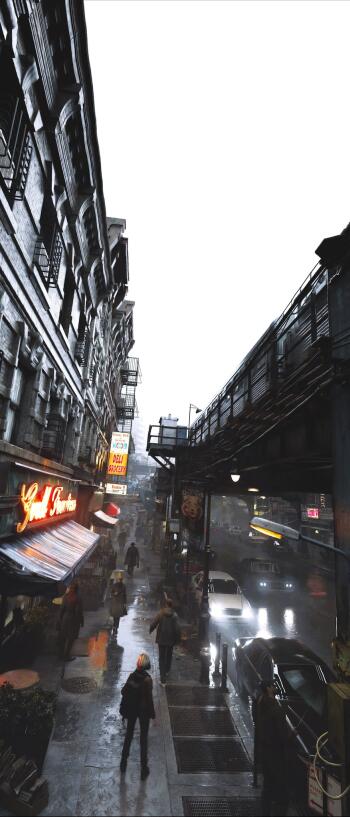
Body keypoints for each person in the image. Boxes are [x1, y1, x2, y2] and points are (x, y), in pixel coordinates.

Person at [120, 652, 155, 780]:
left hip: (132, 709)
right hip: (143, 711)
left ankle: (123, 763)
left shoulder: (132, 676)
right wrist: (152, 714)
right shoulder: (148, 680)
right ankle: (143, 769)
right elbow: (149, 699)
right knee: (143, 739)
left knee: (128, 735)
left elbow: (123, 691)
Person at [256, 681, 290, 816]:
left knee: (268, 785)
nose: (276, 688)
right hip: (275, 754)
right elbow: (282, 735)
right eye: (273, 686)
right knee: (281, 788)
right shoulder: (276, 710)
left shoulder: (260, 703)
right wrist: (292, 736)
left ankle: (265, 811)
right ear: (268, 688)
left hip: (264, 751)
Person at [149, 598, 181, 686]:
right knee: (169, 655)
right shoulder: (175, 615)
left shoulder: (161, 613)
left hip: (161, 638)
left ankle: (163, 679)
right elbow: (177, 629)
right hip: (171, 638)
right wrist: (178, 640)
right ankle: (167, 670)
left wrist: (150, 630)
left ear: (166, 604)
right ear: (171, 605)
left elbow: (154, 623)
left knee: (162, 658)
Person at [58, 580, 84, 662]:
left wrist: (60, 619)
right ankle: (66, 655)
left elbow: (61, 609)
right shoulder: (78, 598)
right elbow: (79, 611)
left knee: (63, 637)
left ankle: (61, 655)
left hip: (65, 618)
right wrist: (81, 621)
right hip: (73, 619)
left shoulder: (66, 596)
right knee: (71, 638)